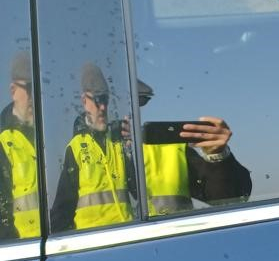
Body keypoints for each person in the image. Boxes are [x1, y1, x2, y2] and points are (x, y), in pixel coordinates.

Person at [51, 62, 252, 232]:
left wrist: (218, 156)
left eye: (110, 100)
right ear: (84, 101)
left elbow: (231, 197)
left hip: (170, 251)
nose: (104, 107)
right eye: (98, 99)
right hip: (102, 255)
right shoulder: (79, 149)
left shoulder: (166, 147)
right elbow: (61, 216)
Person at [0, 52, 39, 238]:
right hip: (23, 249)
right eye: (29, 88)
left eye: (38, 89)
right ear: (13, 90)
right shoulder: (2, 142)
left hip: (61, 244)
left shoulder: (51, 132)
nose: (34, 97)